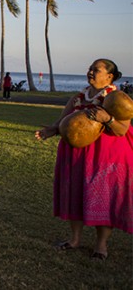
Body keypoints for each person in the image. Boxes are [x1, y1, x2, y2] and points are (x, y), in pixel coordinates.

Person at [35, 59, 132, 261]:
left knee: (103, 198)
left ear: (109, 76)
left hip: (104, 156)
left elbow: (122, 130)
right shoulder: (79, 97)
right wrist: (50, 131)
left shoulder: (116, 98)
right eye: (90, 68)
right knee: (76, 193)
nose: (90, 72)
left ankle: (101, 245)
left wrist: (108, 119)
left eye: (96, 69)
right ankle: (75, 239)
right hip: (76, 154)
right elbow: (62, 121)